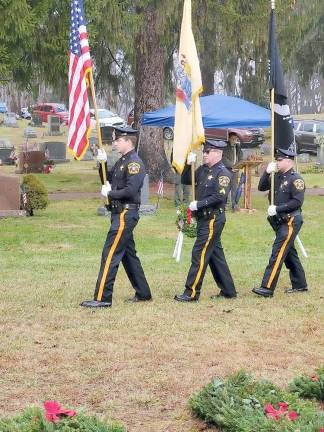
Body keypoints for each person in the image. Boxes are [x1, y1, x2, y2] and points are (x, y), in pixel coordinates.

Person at [81, 126, 152, 308]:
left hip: (125, 214)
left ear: (128, 141)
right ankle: (143, 293)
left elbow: (131, 190)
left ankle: (102, 298)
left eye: (118, 140)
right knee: (129, 256)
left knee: (110, 253)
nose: (115, 143)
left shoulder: (134, 163)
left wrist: (111, 193)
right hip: (118, 212)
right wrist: (102, 164)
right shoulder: (122, 161)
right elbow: (108, 179)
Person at [174, 139, 237, 302]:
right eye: (204, 151)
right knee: (215, 255)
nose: (205, 154)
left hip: (212, 218)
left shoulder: (223, 173)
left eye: (208, 152)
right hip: (204, 218)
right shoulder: (203, 169)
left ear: (218, 153)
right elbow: (186, 180)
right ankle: (229, 291)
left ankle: (192, 292)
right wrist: (189, 164)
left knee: (199, 253)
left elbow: (220, 196)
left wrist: (199, 204)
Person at [252, 148, 308, 298]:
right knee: (289, 253)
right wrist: (267, 172)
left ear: (289, 161)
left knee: (277, 253)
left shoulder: (296, 179)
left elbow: (297, 201)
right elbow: (261, 187)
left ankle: (267, 287)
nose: (277, 162)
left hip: (290, 220)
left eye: (280, 160)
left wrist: (278, 208)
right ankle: (300, 284)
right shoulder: (276, 176)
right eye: (277, 159)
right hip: (279, 221)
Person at [222, 134, 243, 211]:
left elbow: (241, 157)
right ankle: (224, 205)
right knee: (225, 187)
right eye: (233, 139)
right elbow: (223, 158)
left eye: (236, 139)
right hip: (227, 170)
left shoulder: (237, 147)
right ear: (229, 139)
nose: (235, 140)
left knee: (235, 188)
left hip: (236, 170)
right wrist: (232, 166)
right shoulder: (225, 147)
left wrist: (238, 165)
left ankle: (234, 205)